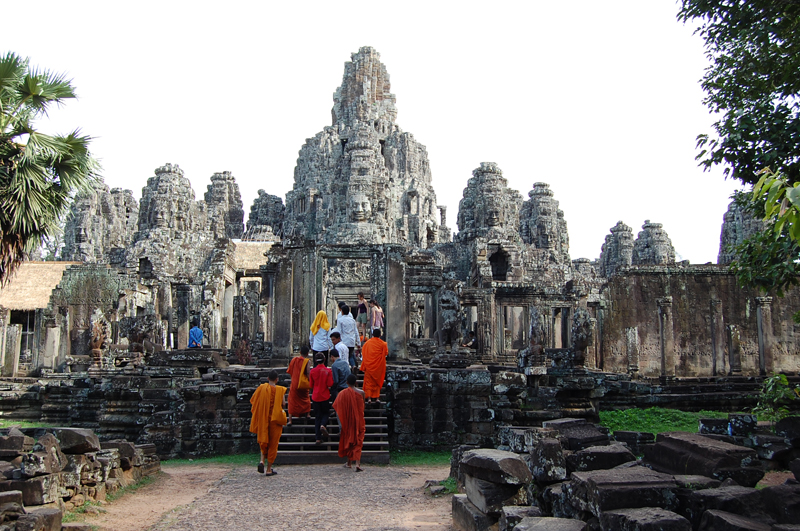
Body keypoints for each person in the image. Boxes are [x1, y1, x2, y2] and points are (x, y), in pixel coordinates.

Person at [249, 370, 287, 475]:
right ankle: (269, 469)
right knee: (273, 444)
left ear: (267, 378)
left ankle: (262, 461)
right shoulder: (280, 390)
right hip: (275, 420)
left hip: (264, 418)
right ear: (277, 379)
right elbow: (283, 404)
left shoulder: (261, 388)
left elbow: (253, 401)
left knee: (264, 440)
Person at [333, 373, 365, 472]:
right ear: (356, 382)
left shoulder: (342, 393)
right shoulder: (361, 393)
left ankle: (349, 463)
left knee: (349, 440)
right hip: (359, 420)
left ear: (347, 382)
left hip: (348, 421)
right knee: (358, 441)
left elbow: (337, 406)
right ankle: (356, 463)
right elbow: (362, 407)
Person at [309, 352, 333, 444]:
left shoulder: (312, 371)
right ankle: (323, 425)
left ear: (315, 360)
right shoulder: (328, 371)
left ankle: (318, 438)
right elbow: (330, 384)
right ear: (325, 359)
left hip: (315, 396)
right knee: (326, 413)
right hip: (325, 395)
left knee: (317, 416)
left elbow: (311, 385)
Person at [359, 328, 388, 404]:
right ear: (380, 335)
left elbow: (364, 352)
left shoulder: (367, 343)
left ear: (372, 334)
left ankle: (369, 398)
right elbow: (386, 353)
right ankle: (377, 398)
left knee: (369, 382)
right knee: (377, 382)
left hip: (369, 366)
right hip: (378, 367)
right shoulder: (383, 344)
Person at [286, 345, 311, 425]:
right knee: (306, 398)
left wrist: (294, 378)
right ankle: (307, 414)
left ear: (300, 352)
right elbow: (307, 372)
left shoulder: (294, 360)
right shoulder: (307, 361)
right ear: (307, 353)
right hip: (302, 384)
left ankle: (290, 420)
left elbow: (290, 371)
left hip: (294, 382)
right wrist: (309, 380)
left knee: (291, 400)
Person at [331, 304, 361, 370]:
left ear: (342, 312)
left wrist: (337, 341)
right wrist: (358, 343)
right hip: (351, 341)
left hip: (344, 341)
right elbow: (356, 331)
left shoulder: (340, 320)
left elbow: (339, 331)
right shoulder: (352, 320)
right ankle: (353, 365)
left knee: (345, 355)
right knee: (350, 354)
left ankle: (349, 367)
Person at [329, 335, 351, 403]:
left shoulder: (334, 365)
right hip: (347, 385)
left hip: (340, 387)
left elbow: (336, 380)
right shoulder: (345, 363)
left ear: (332, 357)